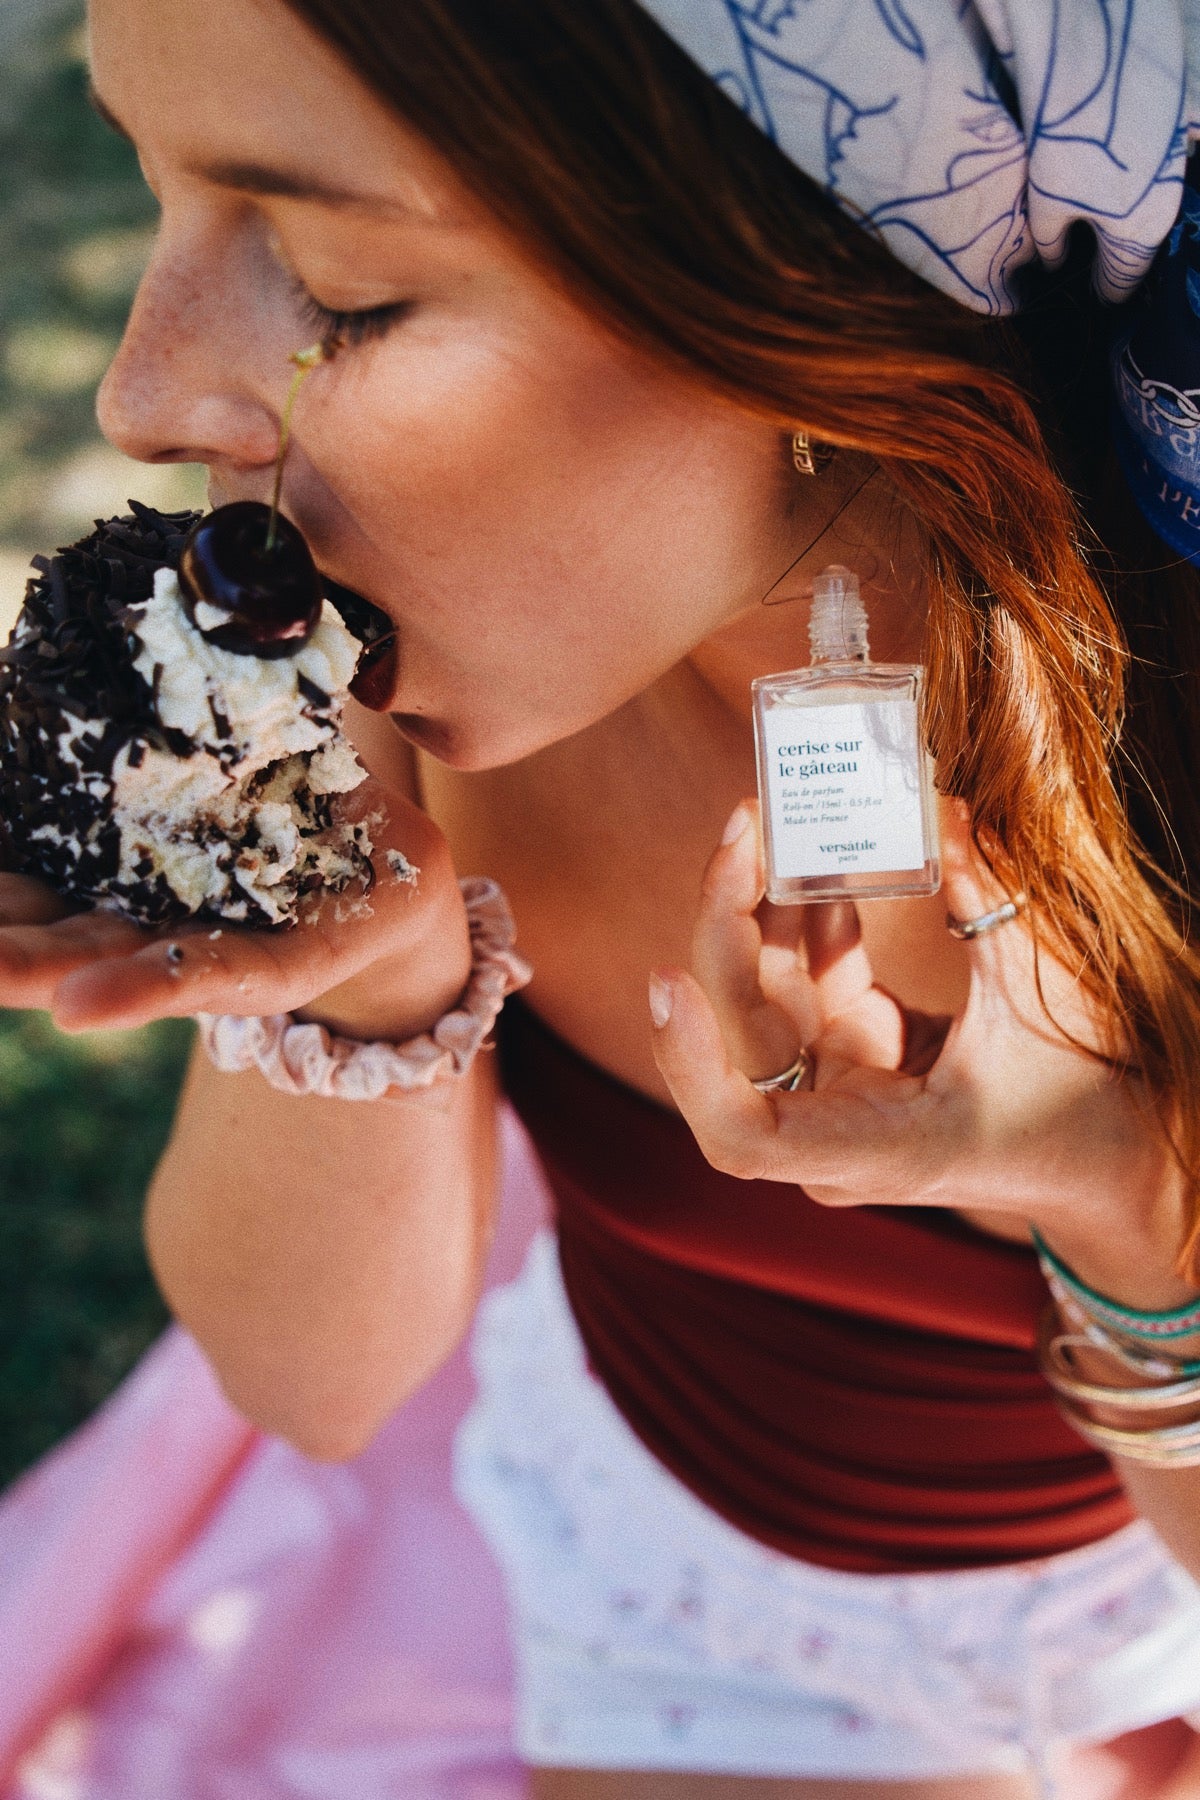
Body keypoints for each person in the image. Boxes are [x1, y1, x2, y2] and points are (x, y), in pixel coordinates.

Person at [4, 0, 1200, 1793]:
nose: (142, 393)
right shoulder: (406, 696)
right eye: (152, 188)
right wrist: (374, 981)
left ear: (796, 302)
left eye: (341, 282)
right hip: (694, 1591)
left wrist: (1114, 1189)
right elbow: (312, 1383)